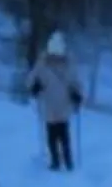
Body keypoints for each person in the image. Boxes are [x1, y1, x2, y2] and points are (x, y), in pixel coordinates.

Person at [28, 31, 81, 170]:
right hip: (49, 104)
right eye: (54, 55)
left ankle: (68, 160)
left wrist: (77, 94)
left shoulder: (69, 64)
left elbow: (75, 82)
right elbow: (31, 79)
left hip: (64, 105)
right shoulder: (42, 64)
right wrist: (35, 87)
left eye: (58, 55)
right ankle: (55, 160)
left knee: (64, 134)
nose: (56, 58)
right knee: (51, 135)